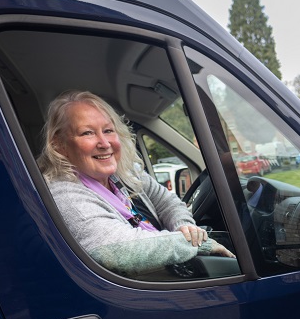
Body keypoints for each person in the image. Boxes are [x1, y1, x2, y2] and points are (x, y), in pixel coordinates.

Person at [38, 90, 234, 277]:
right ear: (60, 145)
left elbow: (168, 202)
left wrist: (185, 228)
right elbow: (118, 249)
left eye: (108, 130)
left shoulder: (124, 174)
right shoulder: (65, 194)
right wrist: (198, 244)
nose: (104, 143)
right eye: (88, 133)